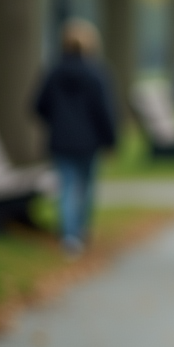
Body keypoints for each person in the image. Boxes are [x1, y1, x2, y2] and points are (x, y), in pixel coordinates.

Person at [34, 19, 117, 256]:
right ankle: (81, 229)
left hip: (61, 140)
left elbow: (38, 105)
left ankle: (69, 235)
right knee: (87, 186)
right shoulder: (97, 73)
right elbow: (104, 111)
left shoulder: (53, 72)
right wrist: (110, 140)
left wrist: (56, 121)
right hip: (89, 142)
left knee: (67, 187)